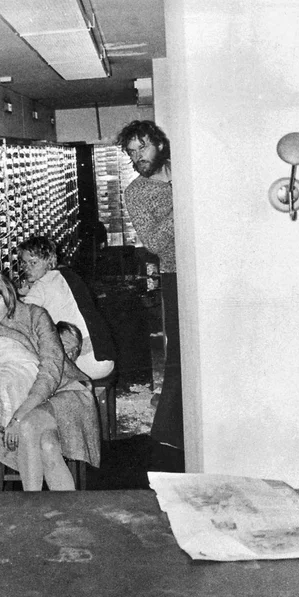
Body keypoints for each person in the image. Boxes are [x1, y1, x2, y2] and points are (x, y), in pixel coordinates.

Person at [0, 271, 100, 492]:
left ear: (9, 292)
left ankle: (30, 510)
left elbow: (51, 371)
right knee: (48, 446)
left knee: (27, 426)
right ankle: (70, 515)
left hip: (66, 394)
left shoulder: (35, 315)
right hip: (35, 404)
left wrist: (17, 418)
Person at [117, 119, 183, 452]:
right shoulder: (136, 192)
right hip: (175, 275)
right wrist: (183, 202)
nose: (137, 156)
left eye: (142, 147)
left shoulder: (187, 168)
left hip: (211, 270)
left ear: (158, 143)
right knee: (181, 356)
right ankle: (167, 437)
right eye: (131, 152)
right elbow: (155, 242)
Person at [17, 235, 116, 381]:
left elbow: (19, 317)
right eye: (24, 263)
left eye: (33, 263)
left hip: (84, 363)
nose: (27, 268)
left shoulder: (41, 286)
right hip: (104, 357)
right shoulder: (66, 275)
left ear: (48, 261)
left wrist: (15, 295)